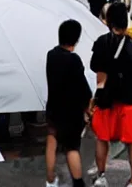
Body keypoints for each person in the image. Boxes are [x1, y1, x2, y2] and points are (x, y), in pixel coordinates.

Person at [90, 2, 132, 187]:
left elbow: (100, 77)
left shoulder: (101, 43)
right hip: (128, 101)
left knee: (102, 139)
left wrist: (96, 97)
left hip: (106, 100)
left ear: (108, 22)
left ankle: (101, 176)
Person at [45, 20, 92, 187]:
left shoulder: (51, 55)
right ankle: (78, 183)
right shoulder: (74, 60)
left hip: (53, 109)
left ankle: (50, 181)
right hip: (70, 113)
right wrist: (87, 109)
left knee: (52, 141)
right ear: (76, 39)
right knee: (71, 148)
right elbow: (84, 90)